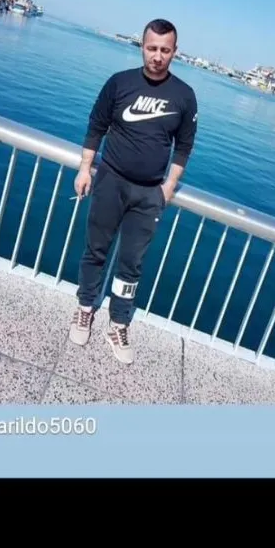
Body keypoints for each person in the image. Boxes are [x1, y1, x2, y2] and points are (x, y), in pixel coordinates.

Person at [69, 18, 198, 364]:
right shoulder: (119, 83)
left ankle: (119, 322)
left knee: (131, 263)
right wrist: (85, 168)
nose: (157, 56)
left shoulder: (184, 96)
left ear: (175, 52)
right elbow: (96, 126)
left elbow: (184, 146)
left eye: (164, 50)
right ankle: (85, 306)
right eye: (151, 48)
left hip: (148, 195)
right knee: (96, 249)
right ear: (142, 46)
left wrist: (169, 186)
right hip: (110, 180)